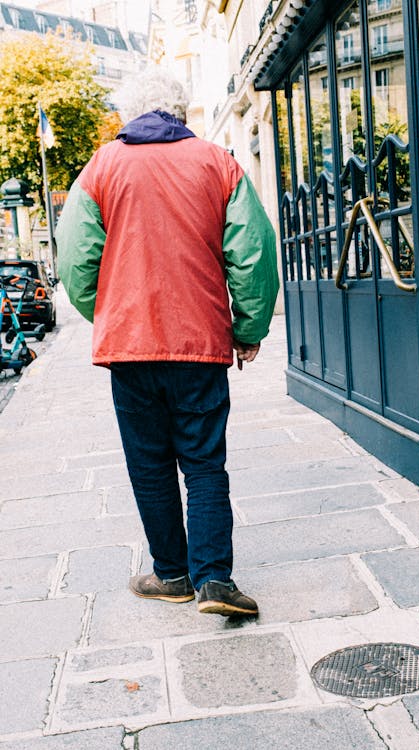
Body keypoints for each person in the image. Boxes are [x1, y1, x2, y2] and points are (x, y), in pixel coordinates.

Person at [55, 81, 279, 617]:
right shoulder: (217, 163)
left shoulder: (101, 167)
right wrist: (248, 329)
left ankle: (171, 574)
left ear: (128, 114)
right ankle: (215, 580)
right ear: (181, 113)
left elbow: (74, 261)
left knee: (149, 465)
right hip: (198, 342)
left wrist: (108, 314)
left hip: (130, 348)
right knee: (204, 463)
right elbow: (254, 253)